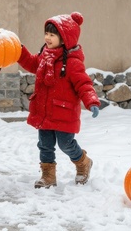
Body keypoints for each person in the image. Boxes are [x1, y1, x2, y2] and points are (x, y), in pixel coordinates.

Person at [18, 12, 100, 188]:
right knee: (45, 145)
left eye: (52, 34)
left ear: (64, 38)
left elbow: (83, 84)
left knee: (66, 144)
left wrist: (91, 101)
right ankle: (48, 176)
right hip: (44, 111)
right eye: (46, 33)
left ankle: (83, 162)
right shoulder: (44, 56)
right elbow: (32, 63)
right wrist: (20, 51)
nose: (47, 37)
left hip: (64, 112)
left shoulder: (72, 63)